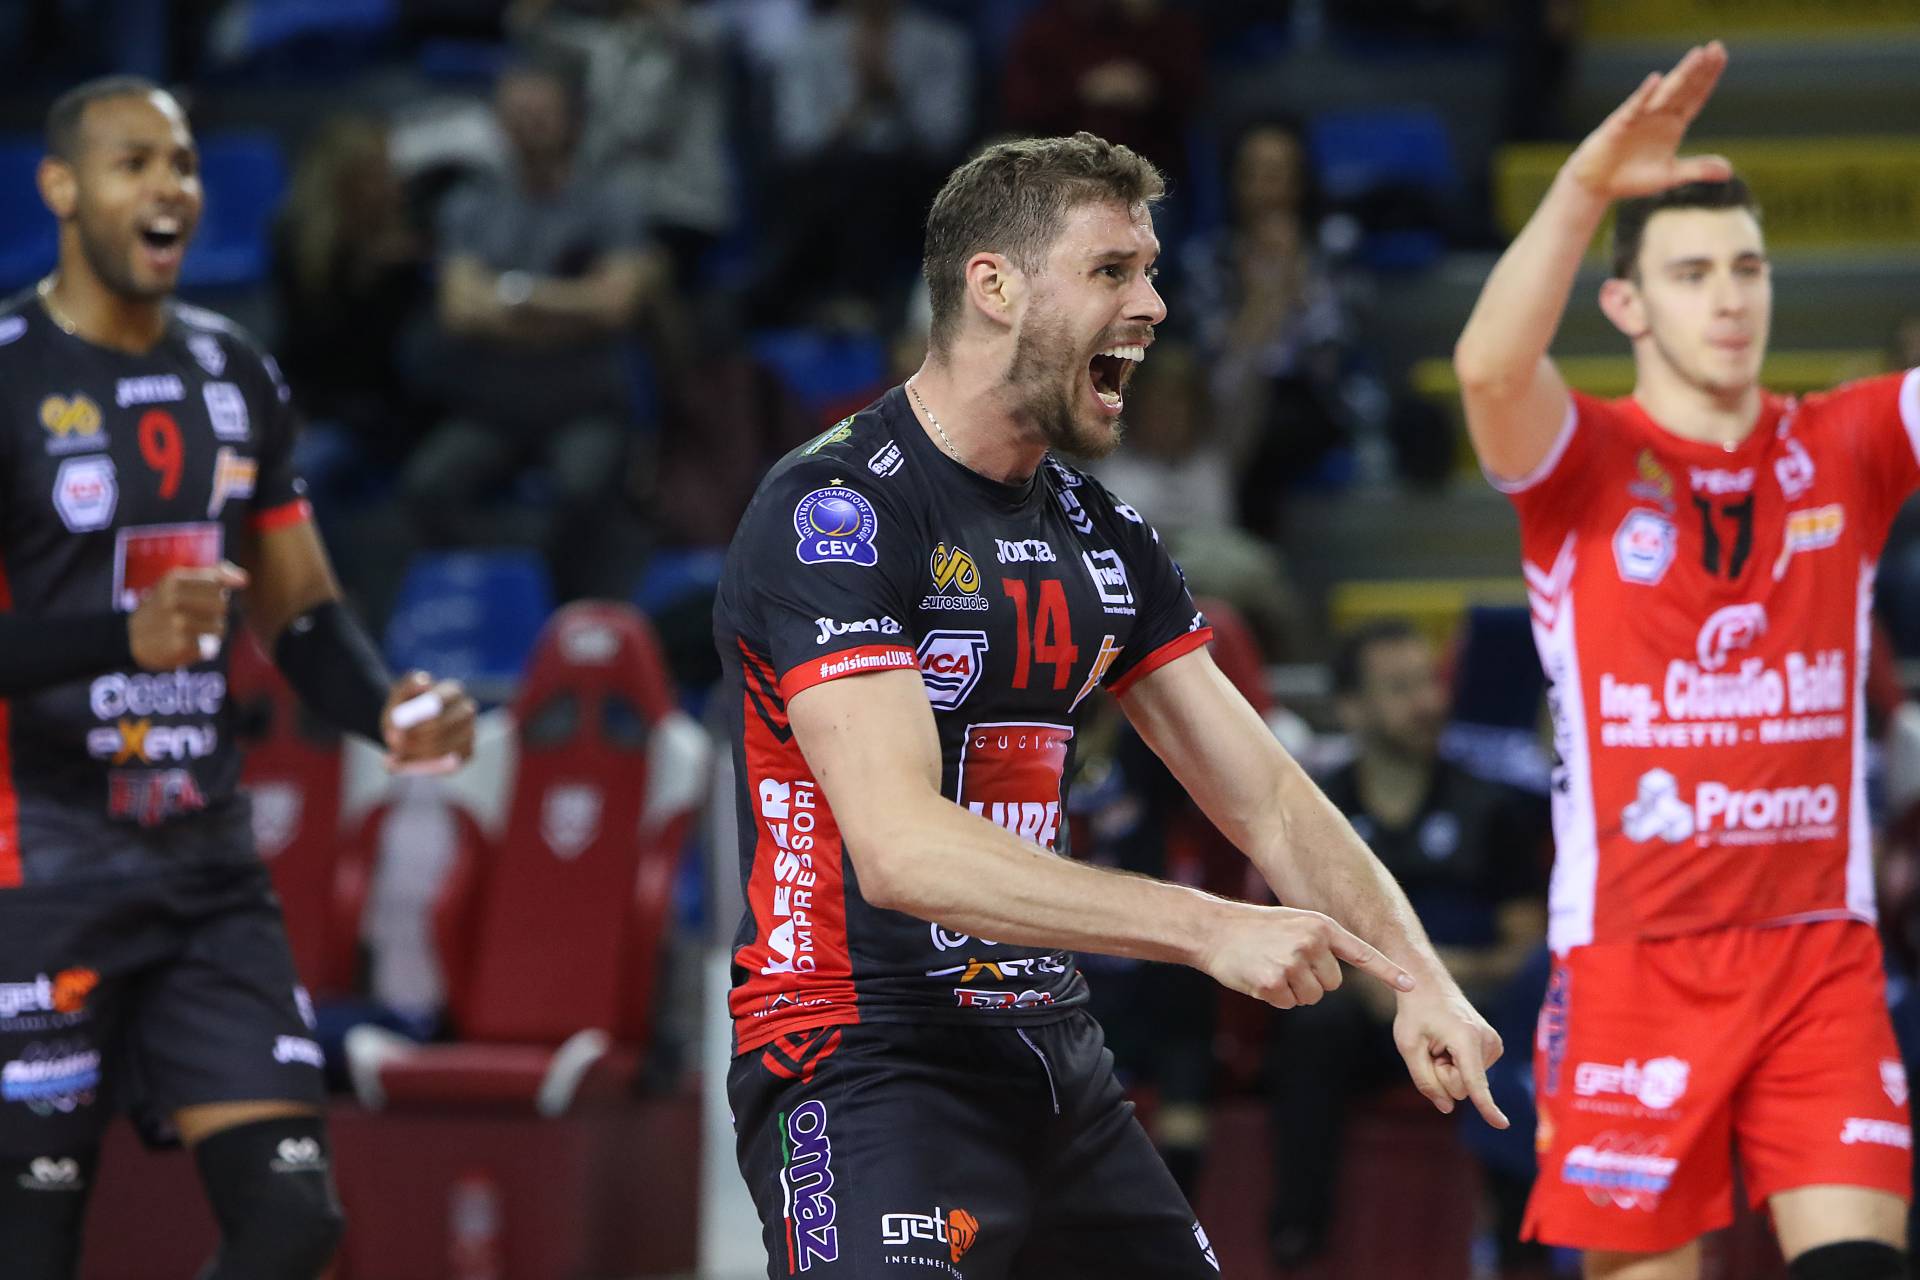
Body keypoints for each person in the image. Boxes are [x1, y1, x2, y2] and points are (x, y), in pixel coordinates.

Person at [713, 129, 1505, 1278]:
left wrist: (1419, 979)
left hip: (1050, 1050)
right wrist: (1210, 926)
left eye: (1151, 270)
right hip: (860, 1050)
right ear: (994, 286)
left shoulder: (1103, 533)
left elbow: (1273, 800)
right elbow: (901, 847)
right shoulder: (834, 510)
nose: (1155, 305)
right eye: (1112, 270)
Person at [0, 77, 477, 1279]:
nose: (169, 186)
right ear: (60, 188)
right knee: (32, 1237)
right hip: (38, 870)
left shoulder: (236, 372)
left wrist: (386, 706)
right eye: (132, 163)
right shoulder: (5, 374)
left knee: (293, 1218)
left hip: (204, 869)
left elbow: (300, 609)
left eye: (183, 163)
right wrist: (125, 636)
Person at [1454, 41, 1914, 1280]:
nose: (1731, 298)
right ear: (1628, 304)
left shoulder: (1850, 440)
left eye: (1749, 268)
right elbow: (1490, 366)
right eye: (1694, 272)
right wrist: (1586, 184)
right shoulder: (1583, 460)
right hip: (1634, 963)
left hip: (1819, 952)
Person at [1266, 619, 1549, 1273]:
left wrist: (1433, 982)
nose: (1427, 703)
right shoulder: (1320, 813)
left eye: (1429, 682)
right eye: (1400, 688)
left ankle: (1521, 1252)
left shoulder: (1493, 807)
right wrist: (1372, 985)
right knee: (1311, 1028)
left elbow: (1528, 949)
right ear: (1350, 708)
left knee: (1516, 1031)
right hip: (1358, 1014)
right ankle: (1296, 1240)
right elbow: (1288, 936)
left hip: (1470, 1009)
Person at [403, 51, 662, 602]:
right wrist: (569, 307)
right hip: (494, 407)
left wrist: (510, 297)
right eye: (516, 113)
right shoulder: (470, 205)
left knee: (583, 489)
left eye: (541, 114)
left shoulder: (609, 201)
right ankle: (504, 597)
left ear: (572, 120)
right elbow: (459, 310)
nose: (527, 126)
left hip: (585, 402)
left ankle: (571, 614)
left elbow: (614, 307)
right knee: (429, 485)